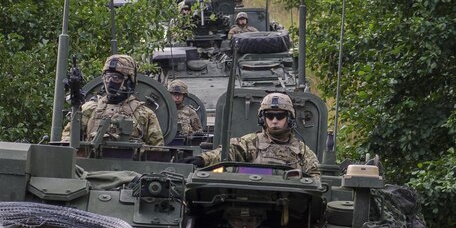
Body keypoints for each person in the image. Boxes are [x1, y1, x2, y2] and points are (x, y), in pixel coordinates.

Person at [189, 93, 320, 176]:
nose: (274, 121)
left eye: (280, 116)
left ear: (289, 118)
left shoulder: (302, 151)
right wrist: (203, 159)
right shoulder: (251, 143)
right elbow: (227, 152)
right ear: (262, 118)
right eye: (270, 115)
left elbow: (315, 178)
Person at [61, 54, 164, 145]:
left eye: (116, 78)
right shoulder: (89, 109)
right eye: (107, 77)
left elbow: (157, 152)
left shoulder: (144, 115)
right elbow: (67, 141)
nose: (110, 82)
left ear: (128, 81)